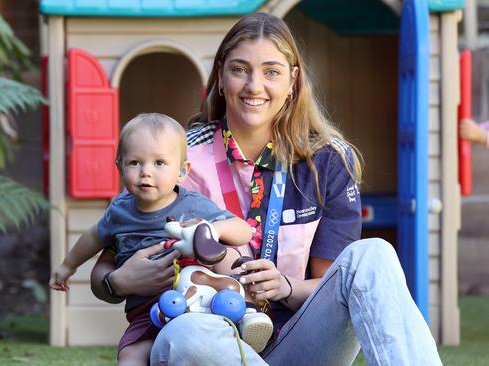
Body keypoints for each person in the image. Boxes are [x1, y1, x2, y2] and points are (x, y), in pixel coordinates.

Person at [91, 13, 442, 365]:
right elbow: (110, 253)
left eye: (271, 72)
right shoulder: (179, 159)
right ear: (221, 76)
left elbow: (332, 284)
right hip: (219, 340)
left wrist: (286, 288)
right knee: (184, 334)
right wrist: (118, 282)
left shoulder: (330, 160)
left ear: (292, 81)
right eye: (240, 69)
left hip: (304, 339)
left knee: (373, 254)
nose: (254, 86)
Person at [49, 113, 270, 365]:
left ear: (182, 171)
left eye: (159, 163)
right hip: (146, 311)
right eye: (135, 163)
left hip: (198, 298)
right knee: (130, 356)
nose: (146, 172)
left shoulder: (194, 205)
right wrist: (68, 266)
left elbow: (243, 229)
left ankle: (248, 314)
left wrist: (212, 230)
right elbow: (92, 237)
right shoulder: (119, 211)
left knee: (225, 255)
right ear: (119, 166)